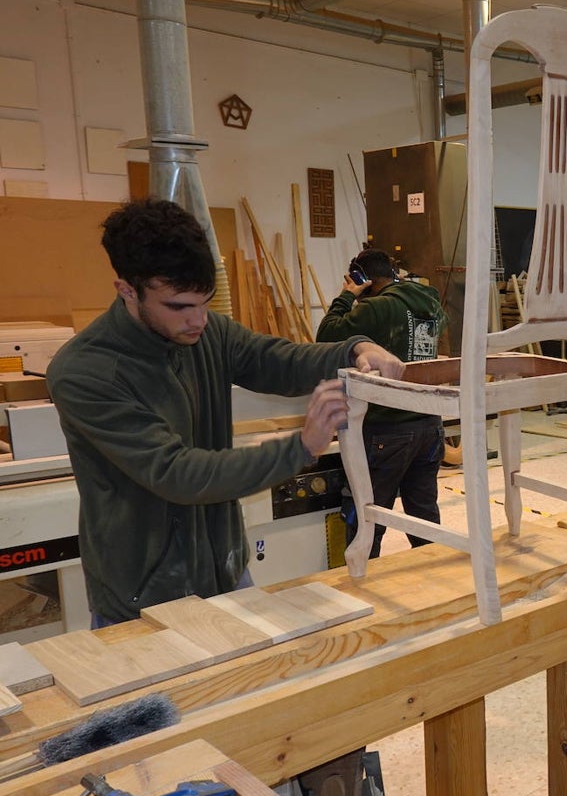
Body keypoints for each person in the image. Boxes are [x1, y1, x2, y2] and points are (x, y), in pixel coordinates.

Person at [46, 198, 406, 628]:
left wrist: (355, 348)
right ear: (127, 290)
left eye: (205, 302)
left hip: (224, 566)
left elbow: (278, 359)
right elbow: (176, 473)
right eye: (179, 306)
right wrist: (299, 447)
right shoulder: (85, 371)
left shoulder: (206, 332)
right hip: (142, 594)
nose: (199, 320)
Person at [316, 249, 448, 556]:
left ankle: (361, 583)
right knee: (424, 515)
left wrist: (347, 296)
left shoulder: (377, 308)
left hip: (387, 429)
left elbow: (325, 335)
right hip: (429, 424)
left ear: (363, 278)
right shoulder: (430, 302)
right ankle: (435, 575)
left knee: (369, 517)